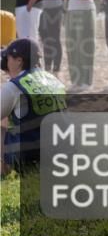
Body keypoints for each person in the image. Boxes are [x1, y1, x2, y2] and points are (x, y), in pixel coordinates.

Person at [1, 38, 65, 174]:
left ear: (19, 61)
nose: (6, 61)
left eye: (8, 57)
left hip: (31, 156)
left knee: (3, 120)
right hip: (62, 150)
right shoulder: (53, 79)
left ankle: (3, 169)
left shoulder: (14, 86)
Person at [61, 0, 98, 92]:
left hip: (85, 11)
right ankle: (75, 80)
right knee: (72, 47)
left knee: (85, 46)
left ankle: (86, 81)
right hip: (70, 11)